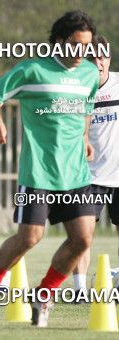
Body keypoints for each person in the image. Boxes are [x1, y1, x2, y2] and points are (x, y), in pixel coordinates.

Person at [0, 10, 99, 327]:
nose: (80, 51)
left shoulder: (89, 74)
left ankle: (44, 296)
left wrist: (84, 137)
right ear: (58, 42)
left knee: (83, 239)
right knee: (30, 237)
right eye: (74, 44)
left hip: (76, 174)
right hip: (39, 172)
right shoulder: (33, 69)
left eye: (86, 45)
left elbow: (86, 107)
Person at [73, 35, 119, 293]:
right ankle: (79, 290)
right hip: (88, 177)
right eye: (93, 57)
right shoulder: (76, 92)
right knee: (82, 236)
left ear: (109, 59)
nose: (98, 62)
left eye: (102, 56)